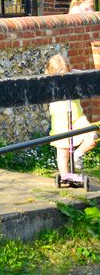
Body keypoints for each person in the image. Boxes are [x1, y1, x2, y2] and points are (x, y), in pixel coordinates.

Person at [46, 53, 96, 187]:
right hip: (60, 121)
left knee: (92, 137)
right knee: (62, 152)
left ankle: (78, 154)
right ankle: (65, 175)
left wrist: (73, 74)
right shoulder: (49, 82)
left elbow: (85, 76)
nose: (64, 77)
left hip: (77, 118)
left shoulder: (73, 75)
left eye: (66, 72)